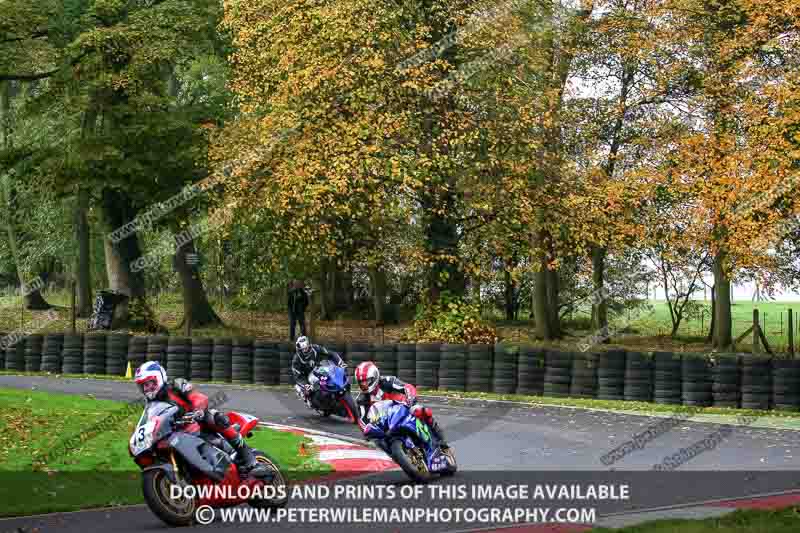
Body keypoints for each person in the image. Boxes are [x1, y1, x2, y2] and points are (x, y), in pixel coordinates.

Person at [134, 362, 267, 476]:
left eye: (150, 383)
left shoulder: (176, 385)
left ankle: (250, 460)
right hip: (179, 436)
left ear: (160, 378)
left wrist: (198, 409)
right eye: (144, 386)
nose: (148, 388)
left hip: (199, 425)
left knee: (213, 416)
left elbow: (197, 397)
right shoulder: (150, 405)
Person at [354, 361, 449, 449]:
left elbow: (407, 387)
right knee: (375, 442)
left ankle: (440, 438)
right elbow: (362, 421)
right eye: (361, 382)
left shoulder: (387, 381)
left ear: (375, 377)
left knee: (421, 411)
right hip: (386, 424)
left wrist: (410, 401)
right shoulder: (361, 399)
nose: (364, 385)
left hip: (404, 409)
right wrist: (369, 431)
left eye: (366, 381)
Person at [291, 336, 346, 408]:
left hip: (320, 368)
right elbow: (297, 376)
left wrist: (340, 362)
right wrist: (305, 384)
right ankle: (309, 400)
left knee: (332, 375)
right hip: (308, 376)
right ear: (299, 350)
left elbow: (331, 354)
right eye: (303, 349)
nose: (306, 350)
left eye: (307, 348)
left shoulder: (316, 348)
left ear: (309, 345)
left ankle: (337, 391)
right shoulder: (296, 360)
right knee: (306, 390)